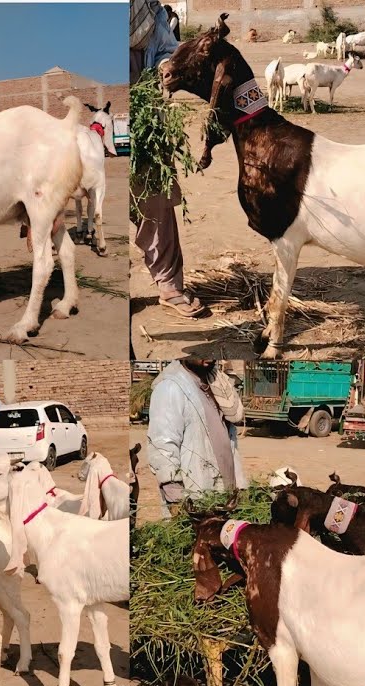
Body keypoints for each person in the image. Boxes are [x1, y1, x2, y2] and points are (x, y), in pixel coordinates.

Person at [131, 0, 209, 318]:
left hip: (144, 109)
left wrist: (166, 66)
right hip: (101, 102)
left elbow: (166, 47)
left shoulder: (147, 6)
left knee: (156, 199)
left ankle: (169, 285)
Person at [145, 357, 247, 516]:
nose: (210, 357)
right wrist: (177, 501)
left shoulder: (218, 384)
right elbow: (162, 447)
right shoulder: (171, 388)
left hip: (226, 497)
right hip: (195, 500)